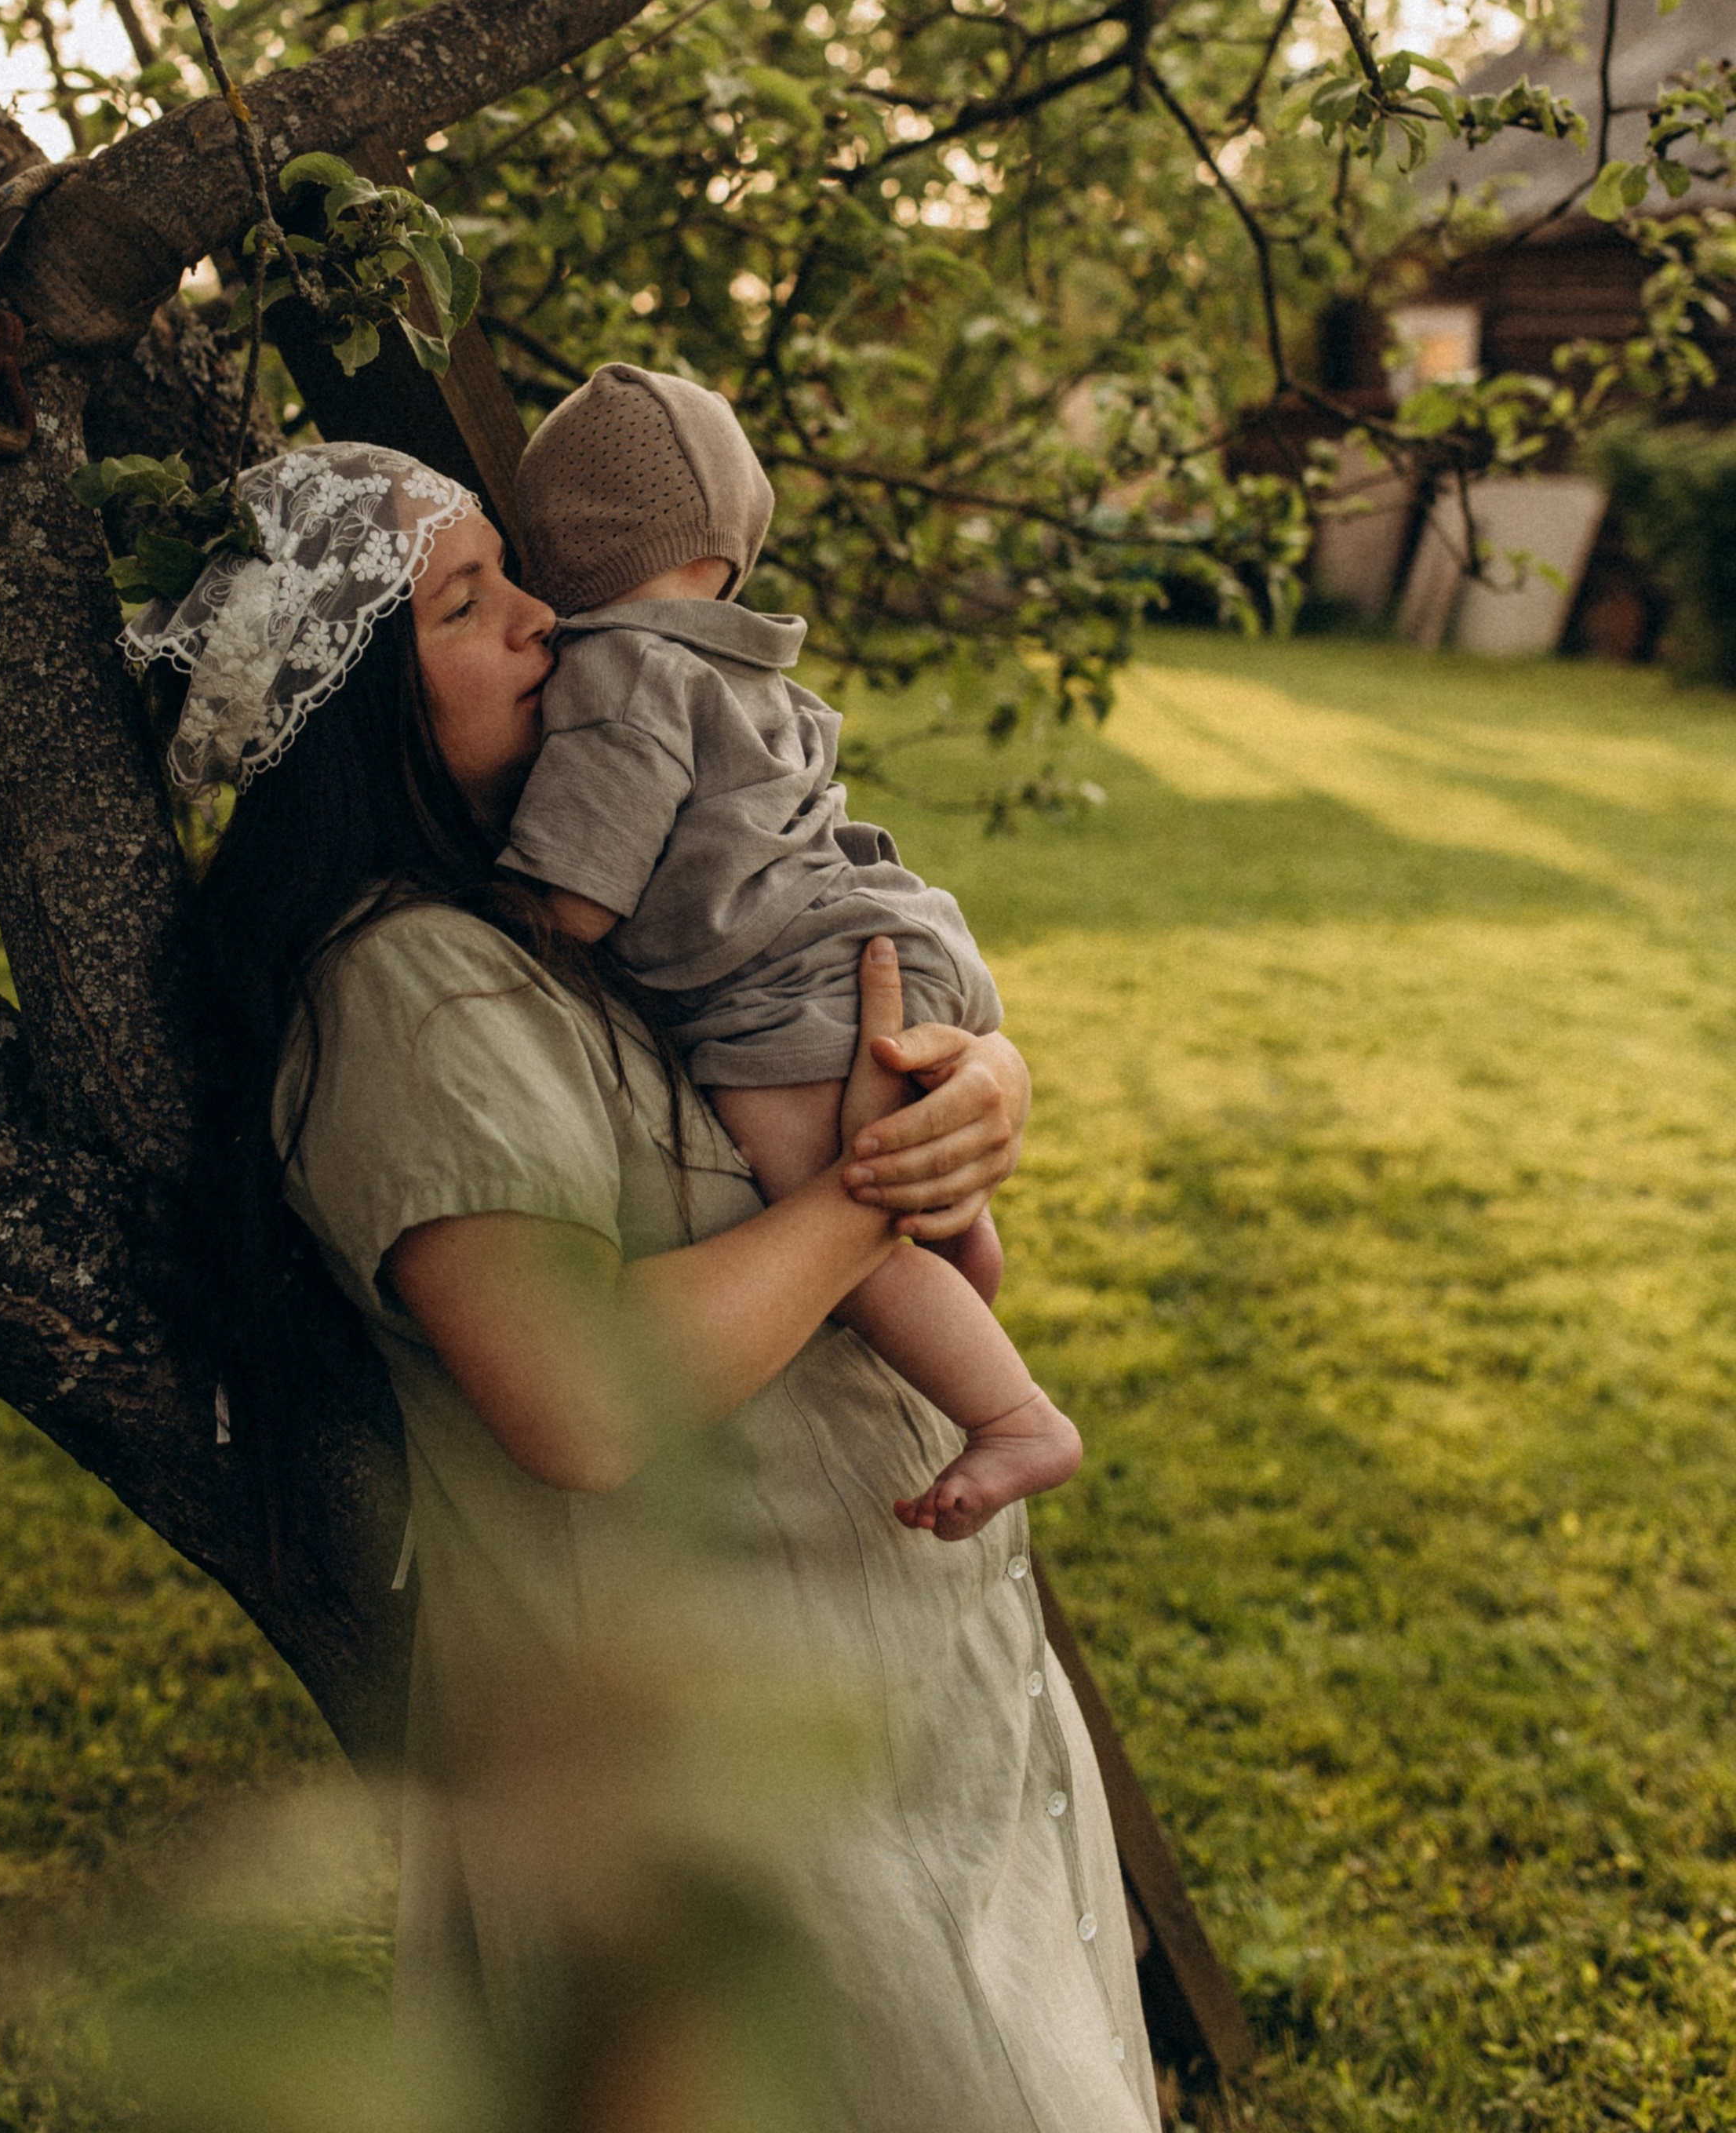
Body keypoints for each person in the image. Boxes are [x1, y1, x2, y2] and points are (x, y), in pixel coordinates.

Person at [122, 440, 1158, 2133]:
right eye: (471, 603)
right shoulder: (410, 991)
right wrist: (867, 1195)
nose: (547, 620)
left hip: (894, 1708)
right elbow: (584, 1398)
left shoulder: (598, 918)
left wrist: (984, 1086)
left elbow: (834, 1071)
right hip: (733, 1802)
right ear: (356, 720)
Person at [498, 362, 1081, 1541]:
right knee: (902, 1182)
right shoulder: (752, 666)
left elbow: (582, 898)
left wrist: (510, 905)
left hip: (794, 984)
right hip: (896, 934)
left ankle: (1017, 1416)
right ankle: (960, 1261)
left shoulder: (624, 671)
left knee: (825, 1211)